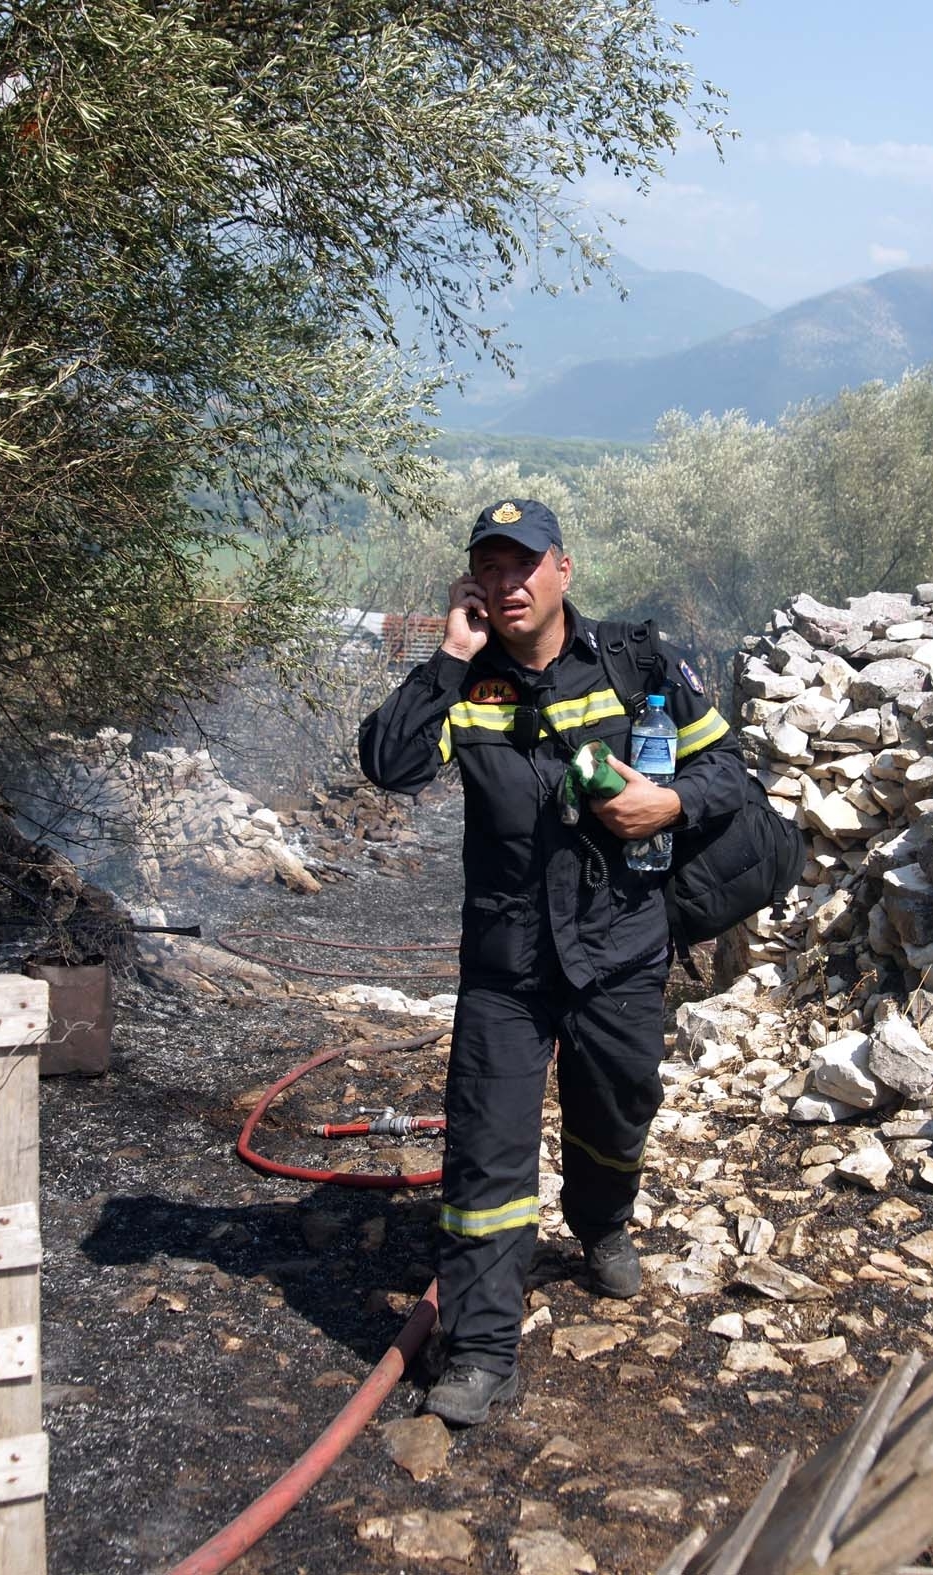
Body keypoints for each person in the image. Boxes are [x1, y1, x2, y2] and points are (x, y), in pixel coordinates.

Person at [358, 498, 737, 1425]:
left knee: (618, 1111)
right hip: (508, 967)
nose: (507, 583)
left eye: (523, 565)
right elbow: (388, 762)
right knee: (486, 1156)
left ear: (563, 569)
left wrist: (669, 804)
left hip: (620, 950)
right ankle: (484, 1351)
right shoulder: (466, 682)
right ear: (471, 584)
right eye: (488, 568)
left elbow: (731, 775)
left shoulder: (636, 661)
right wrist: (449, 655)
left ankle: (602, 1222)